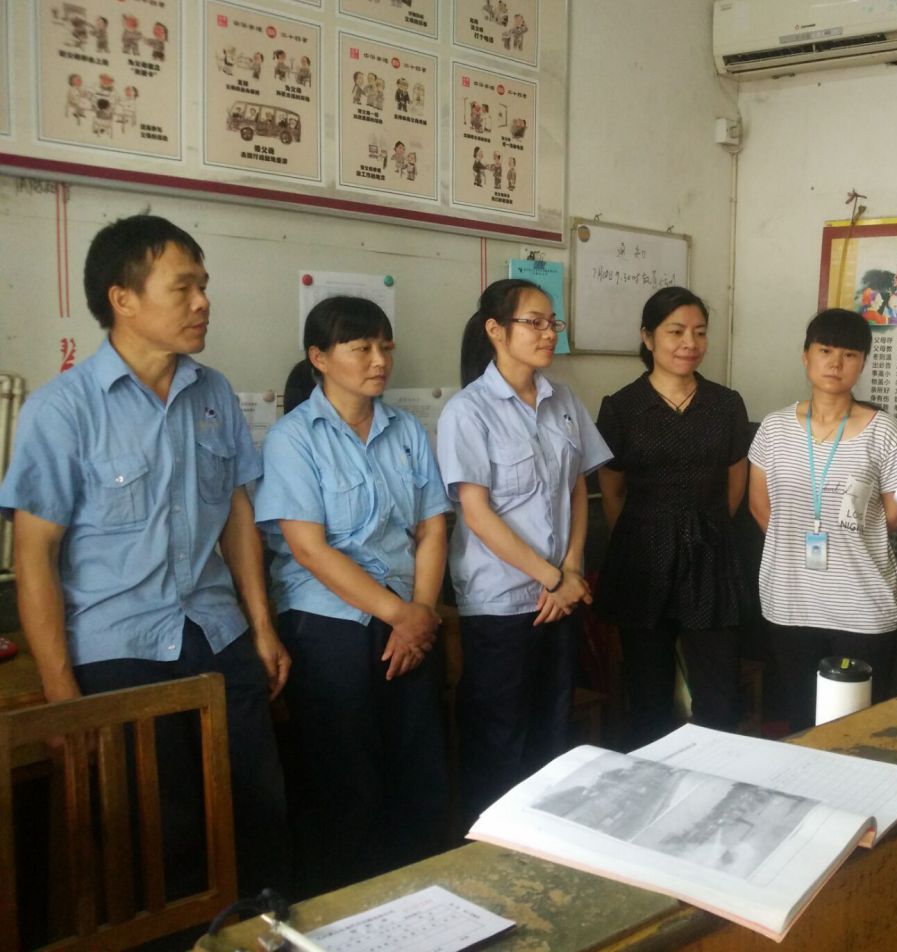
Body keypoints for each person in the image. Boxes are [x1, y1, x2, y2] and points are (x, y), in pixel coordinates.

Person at [0, 214, 291, 897]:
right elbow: (36, 557)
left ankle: (265, 934)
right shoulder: (62, 410)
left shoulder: (213, 392)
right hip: (120, 652)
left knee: (261, 822)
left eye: (204, 285)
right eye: (183, 287)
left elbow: (237, 517)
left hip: (218, 636)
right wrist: (61, 697)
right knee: (162, 847)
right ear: (122, 298)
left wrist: (262, 627)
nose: (203, 302)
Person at [254, 296, 448, 896]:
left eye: (385, 346)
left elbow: (432, 527)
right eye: (361, 348)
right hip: (327, 617)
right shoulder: (293, 439)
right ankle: (347, 906)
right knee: (347, 778)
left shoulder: (405, 431)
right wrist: (403, 617)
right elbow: (309, 550)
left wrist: (422, 612)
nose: (379, 360)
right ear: (319, 357)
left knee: (420, 768)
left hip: (408, 610)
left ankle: (424, 898)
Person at [437, 279, 611, 824]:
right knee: (500, 742)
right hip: (502, 604)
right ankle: (491, 847)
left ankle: (545, 844)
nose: (547, 333)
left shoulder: (564, 401)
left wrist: (572, 569)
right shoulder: (467, 411)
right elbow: (477, 514)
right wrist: (552, 578)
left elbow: (578, 489)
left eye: (551, 322)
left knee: (552, 735)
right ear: (496, 330)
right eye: (533, 322)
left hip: (560, 596)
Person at [596, 288, 751, 749]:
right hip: (642, 560)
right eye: (676, 331)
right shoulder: (621, 407)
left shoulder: (726, 404)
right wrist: (646, 535)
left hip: (711, 554)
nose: (690, 343)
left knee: (719, 694)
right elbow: (612, 491)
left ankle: (718, 774)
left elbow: (735, 483)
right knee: (648, 694)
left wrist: (703, 528)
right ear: (648, 337)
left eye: (700, 332)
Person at [747, 308, 897, 731]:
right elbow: (760, 507)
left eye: (850, 354)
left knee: (860, 727)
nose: (836, 364)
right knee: (800, 721)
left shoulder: (883, 432)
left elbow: (896, 513)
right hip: (790, 601)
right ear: (806, 356)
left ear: (862, 363)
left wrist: (847, 538)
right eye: (825, 351)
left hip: (862, 604)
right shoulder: (774, 429)